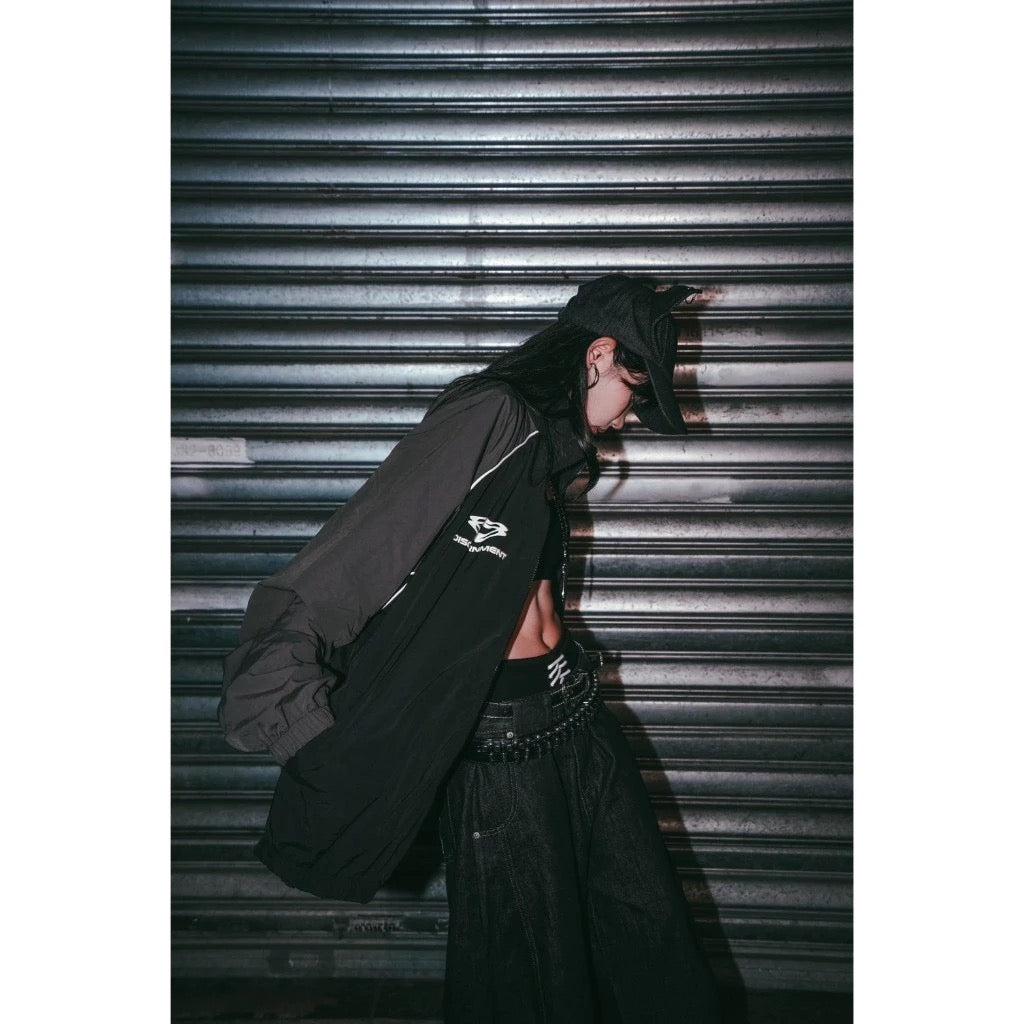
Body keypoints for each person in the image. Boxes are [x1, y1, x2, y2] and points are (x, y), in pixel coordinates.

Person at [218, 273, 722, 1023]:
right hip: (503, 739)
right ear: (598, 354)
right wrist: (296, 720)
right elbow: (352, 559)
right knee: (526, 966)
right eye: (634, 392)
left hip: (574, 711)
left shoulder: (551, 447)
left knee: (645, 932)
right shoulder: (491, 415)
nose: (632, 418)